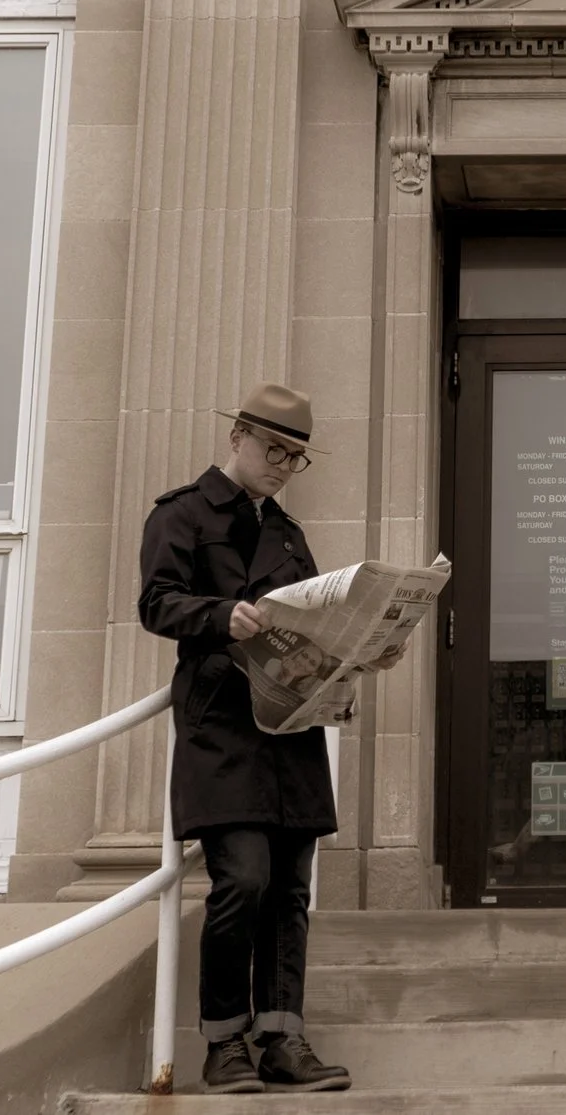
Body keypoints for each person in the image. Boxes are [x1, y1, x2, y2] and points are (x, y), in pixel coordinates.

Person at [138, 382, 397, 1094]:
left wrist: (367, 646)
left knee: (289, 890)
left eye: (296, 456)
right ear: (237, 438)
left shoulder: (287, 532)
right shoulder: (182, 513)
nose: (284, 465)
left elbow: (318, 617)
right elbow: (155, 602)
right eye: (275, 449)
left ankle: (284, 1038)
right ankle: (224, 1044)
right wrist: (225, 615)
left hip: (290, 726)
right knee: (243, 879)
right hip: (222, 722)